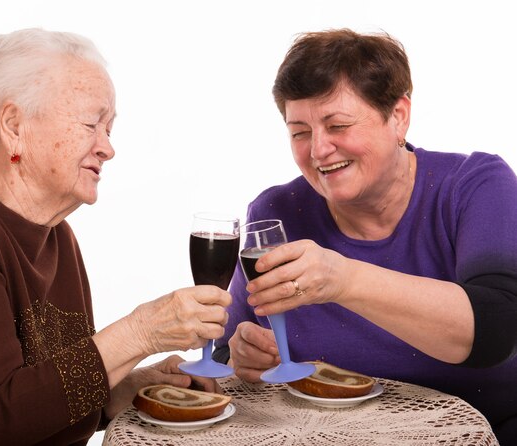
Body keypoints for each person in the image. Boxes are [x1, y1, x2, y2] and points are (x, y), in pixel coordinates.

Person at [0, 28, 231, 445]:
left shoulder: (57, 235)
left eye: (109, 128)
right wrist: (139, 333)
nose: (108, 148)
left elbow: (33, 403)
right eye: (91, 123)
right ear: (14, 126)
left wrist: (122, 389)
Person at [213, 28, 517, 444]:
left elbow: (497, 328)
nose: (318, 150)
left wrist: (344, 279)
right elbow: (228, 349)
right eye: (300, 131)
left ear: (398, 117)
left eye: (337, 124)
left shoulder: (476, 186)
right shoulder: (275, 212)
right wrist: (241, 355)